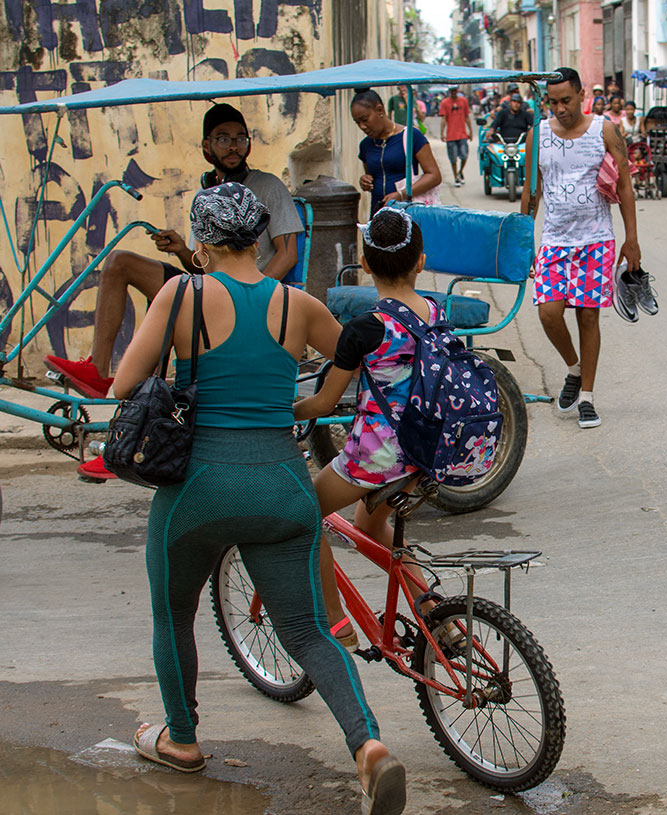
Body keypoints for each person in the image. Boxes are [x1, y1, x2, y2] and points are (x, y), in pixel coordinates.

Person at [113, 184, 405, 815]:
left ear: (204, 241)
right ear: (260, 239)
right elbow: (359, 351)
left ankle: (182, 740)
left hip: (197, 487)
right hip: (284, 483)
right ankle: (369, 747)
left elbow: (124, 383)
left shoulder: (181, 293)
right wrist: (322, 401)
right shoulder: (295, 304)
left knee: (173, 613)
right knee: (307, 630)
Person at [47, 103, 303, 482]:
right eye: (223, 139)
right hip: (206, 285)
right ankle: (100, 372)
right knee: (119, 262)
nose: (233, 146)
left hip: (248, 288)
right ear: (206, 146)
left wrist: (254, 291)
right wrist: (182, 249)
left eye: (239, 139)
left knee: (172, 312)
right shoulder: (206, 193)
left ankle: (135, 443)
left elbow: (288, 253)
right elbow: (200, 264)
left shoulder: (267, 186)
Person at [295, 208, 448, 651]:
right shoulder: (435, 312)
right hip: (427, 450)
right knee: (369, 529)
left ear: (364, 264)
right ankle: (437, 615)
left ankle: (337, 623)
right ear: (421, 262)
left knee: (302, 514)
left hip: (378, 458)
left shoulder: (364, 330)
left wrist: (285, 412)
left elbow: (324, 403)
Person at [521, 66, 643, 429]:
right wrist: (524, 240)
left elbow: (624, 187)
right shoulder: (537, 136)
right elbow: (532, 193)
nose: (560, 108)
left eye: (566, 101)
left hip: (596, 239)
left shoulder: (604, 130)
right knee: (548, 312)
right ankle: (573, 369)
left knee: (588, 316)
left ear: (581, 96)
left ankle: (587, 397)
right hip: (555, 240)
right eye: (553, 102)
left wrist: (631, 239)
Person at [352, 88, 442, 216]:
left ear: (380, 110)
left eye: (365, 120)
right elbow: (373, 177)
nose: (362, 126)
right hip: (379, 218)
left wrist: (401, 194)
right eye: (357, 122)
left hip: (407, 215)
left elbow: (434, 176)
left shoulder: (411, 136)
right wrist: (365, 181)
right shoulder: (366, 145)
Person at [439, 85, 474, 187]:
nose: (453, 93)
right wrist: (442, 133)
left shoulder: (463, 101)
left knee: (464, 155)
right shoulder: (445, 103)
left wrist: (470, 131)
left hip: (462, 134)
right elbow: (444, 119)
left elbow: (467, 117)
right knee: (453, 158)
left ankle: (460, 171)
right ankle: (456, 178)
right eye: (452, 91)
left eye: (455, 91)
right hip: (451, 135)